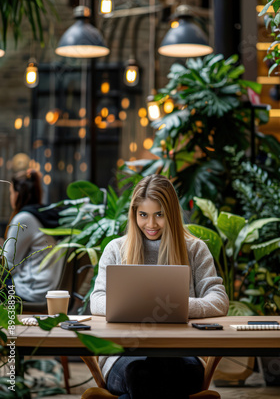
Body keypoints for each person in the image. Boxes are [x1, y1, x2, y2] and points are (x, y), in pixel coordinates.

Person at [90, 174, 229, 399]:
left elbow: (219, 300)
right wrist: (147, 308)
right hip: (123, 355)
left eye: (159, 215)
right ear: (134, 213)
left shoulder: (195, 249)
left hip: (183, 353)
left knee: (144, 376)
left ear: (171, 214)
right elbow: (96, 300)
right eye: (143, 215)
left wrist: (177, 308)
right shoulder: (116, 249)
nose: (151, 224)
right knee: (142, 374)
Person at [4, 169, 64, 302]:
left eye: (11, 192)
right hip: (46, 287)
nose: (10, 196)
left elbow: (8, 265)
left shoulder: (24, 219)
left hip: (30, 290)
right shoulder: (43, 215)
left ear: (17, 194)